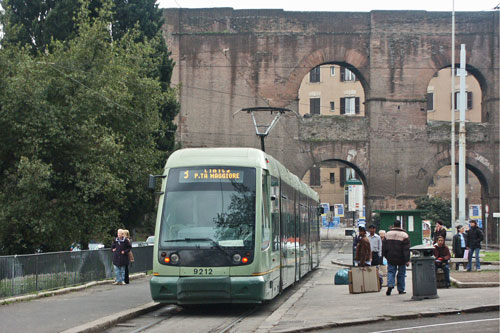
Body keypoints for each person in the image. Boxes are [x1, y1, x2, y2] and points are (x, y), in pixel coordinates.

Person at [382, 220, 410, 296]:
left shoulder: (387, 234)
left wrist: (385, 255)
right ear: (400, 225)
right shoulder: (404, 235)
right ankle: (401, 289)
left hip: (390, 257)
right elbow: (406, 249)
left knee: (391, 272)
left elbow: (383, 246)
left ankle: (390, 285)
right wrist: (407, 260)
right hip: (401, 258)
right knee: (401, 273)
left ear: (393, 225)